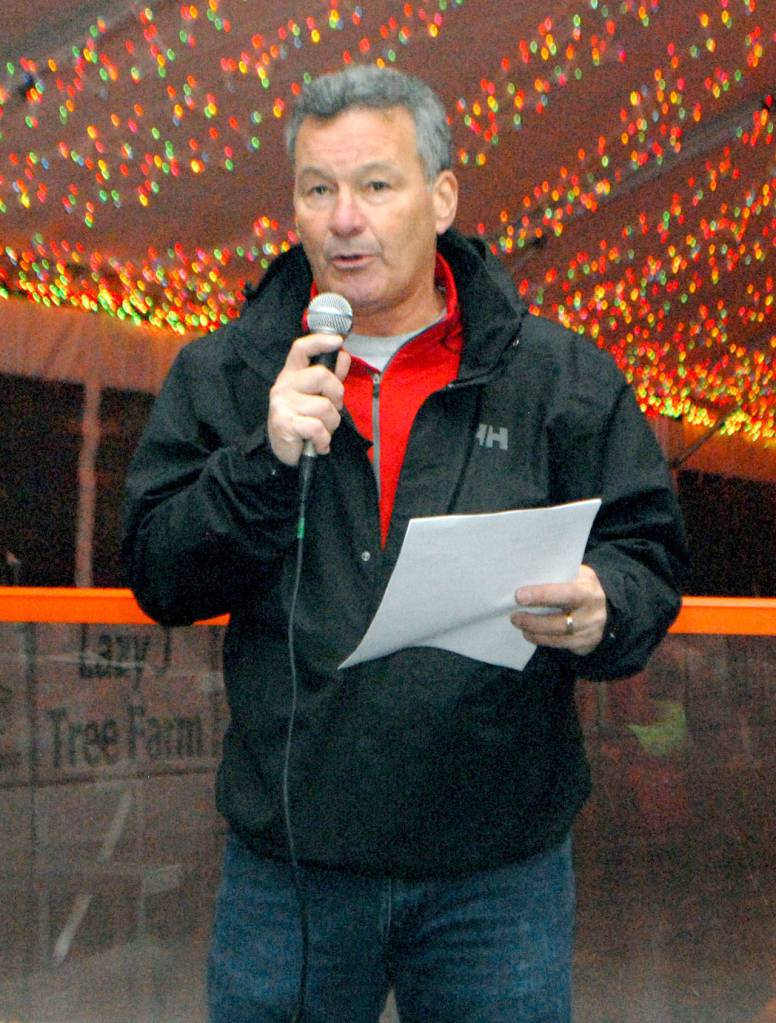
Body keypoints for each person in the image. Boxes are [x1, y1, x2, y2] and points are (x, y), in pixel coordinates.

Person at [123, 65, 688, 1023]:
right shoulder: (228, 373)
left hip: (495, 875)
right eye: (317, 188)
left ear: (442, 196)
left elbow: (648, 551)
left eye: (376, 185)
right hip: (290, 869)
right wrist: (261, 461)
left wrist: (607, 605)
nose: (345, 219)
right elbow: (158, 572)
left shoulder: (557, 377)